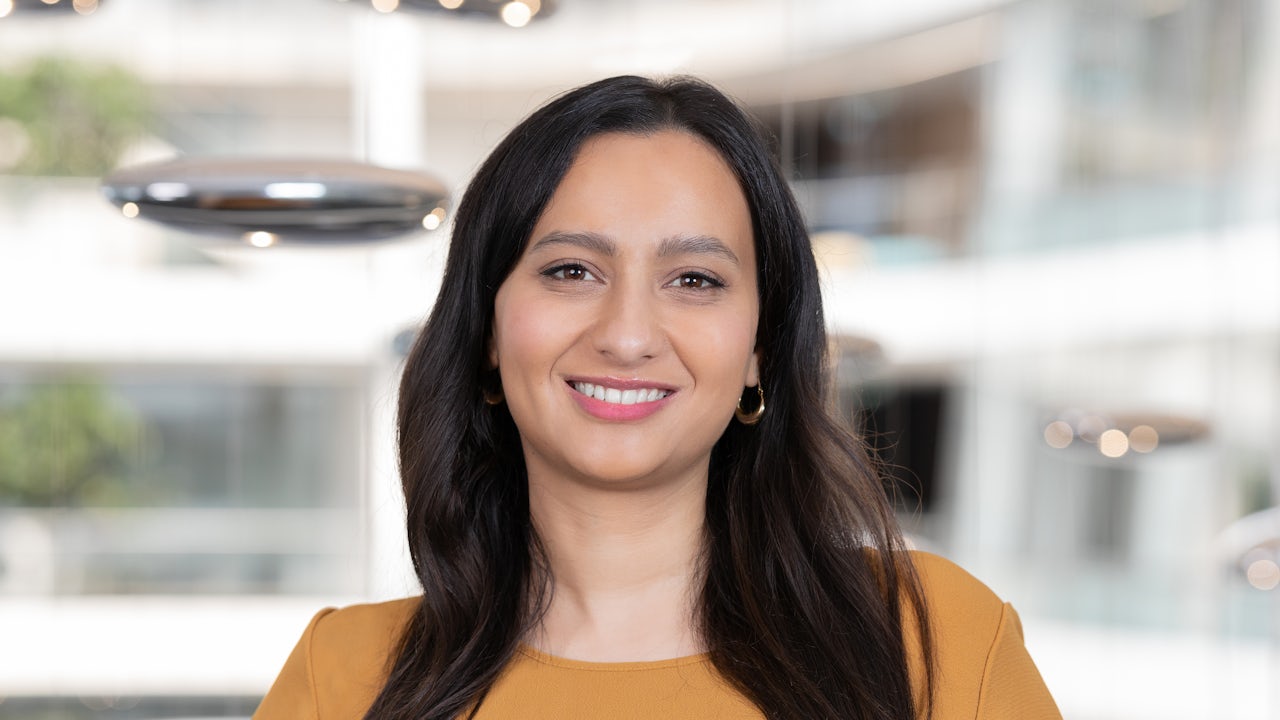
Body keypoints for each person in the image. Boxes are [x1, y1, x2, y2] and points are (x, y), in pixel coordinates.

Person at [254, 75, 1061, 720]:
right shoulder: (346, 679)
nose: (628, 334)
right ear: (488, 330)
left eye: (695, 280)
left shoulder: (933, 642)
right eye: (572, 270)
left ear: (760, 350)